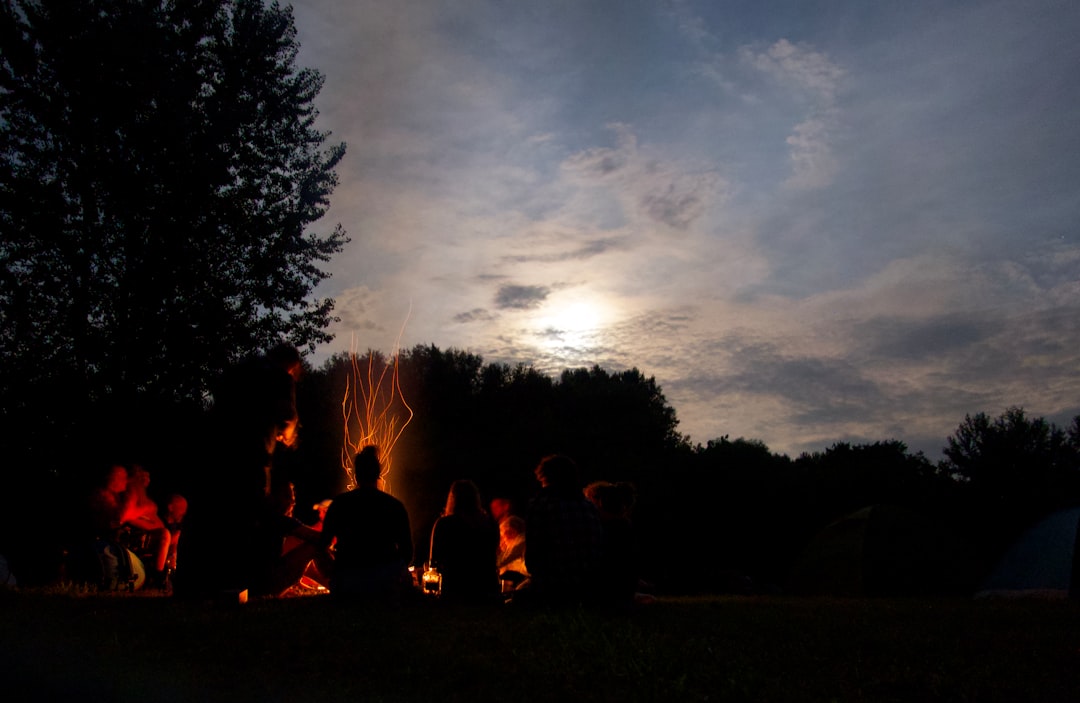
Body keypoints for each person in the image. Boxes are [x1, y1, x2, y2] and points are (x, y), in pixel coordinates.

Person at [320, 446, 413, 600]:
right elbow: (408, 553)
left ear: (355, 475)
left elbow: (322, 545)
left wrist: (335, 568)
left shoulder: (339, 504)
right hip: (385, 583)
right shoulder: (395, 506)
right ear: (379, 474)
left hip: (348, 583)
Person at [521, 454, 603, 605]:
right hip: (589, 586)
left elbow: (534, 553)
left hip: (554, 586)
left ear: (544, 478)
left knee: (517, 596)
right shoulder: (589, 506)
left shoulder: (541, 505)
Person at [429, 480, 500, 604]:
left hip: (454, 591)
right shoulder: (490, 524)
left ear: (452, 499)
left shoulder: (444, 524)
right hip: (486, 590)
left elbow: (434, 561)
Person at [584, 480, 641, 610]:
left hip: (606, 593)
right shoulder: (625, 526)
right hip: (623, 592)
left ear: (597, 502)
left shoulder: (605, 529)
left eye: (588, 501)